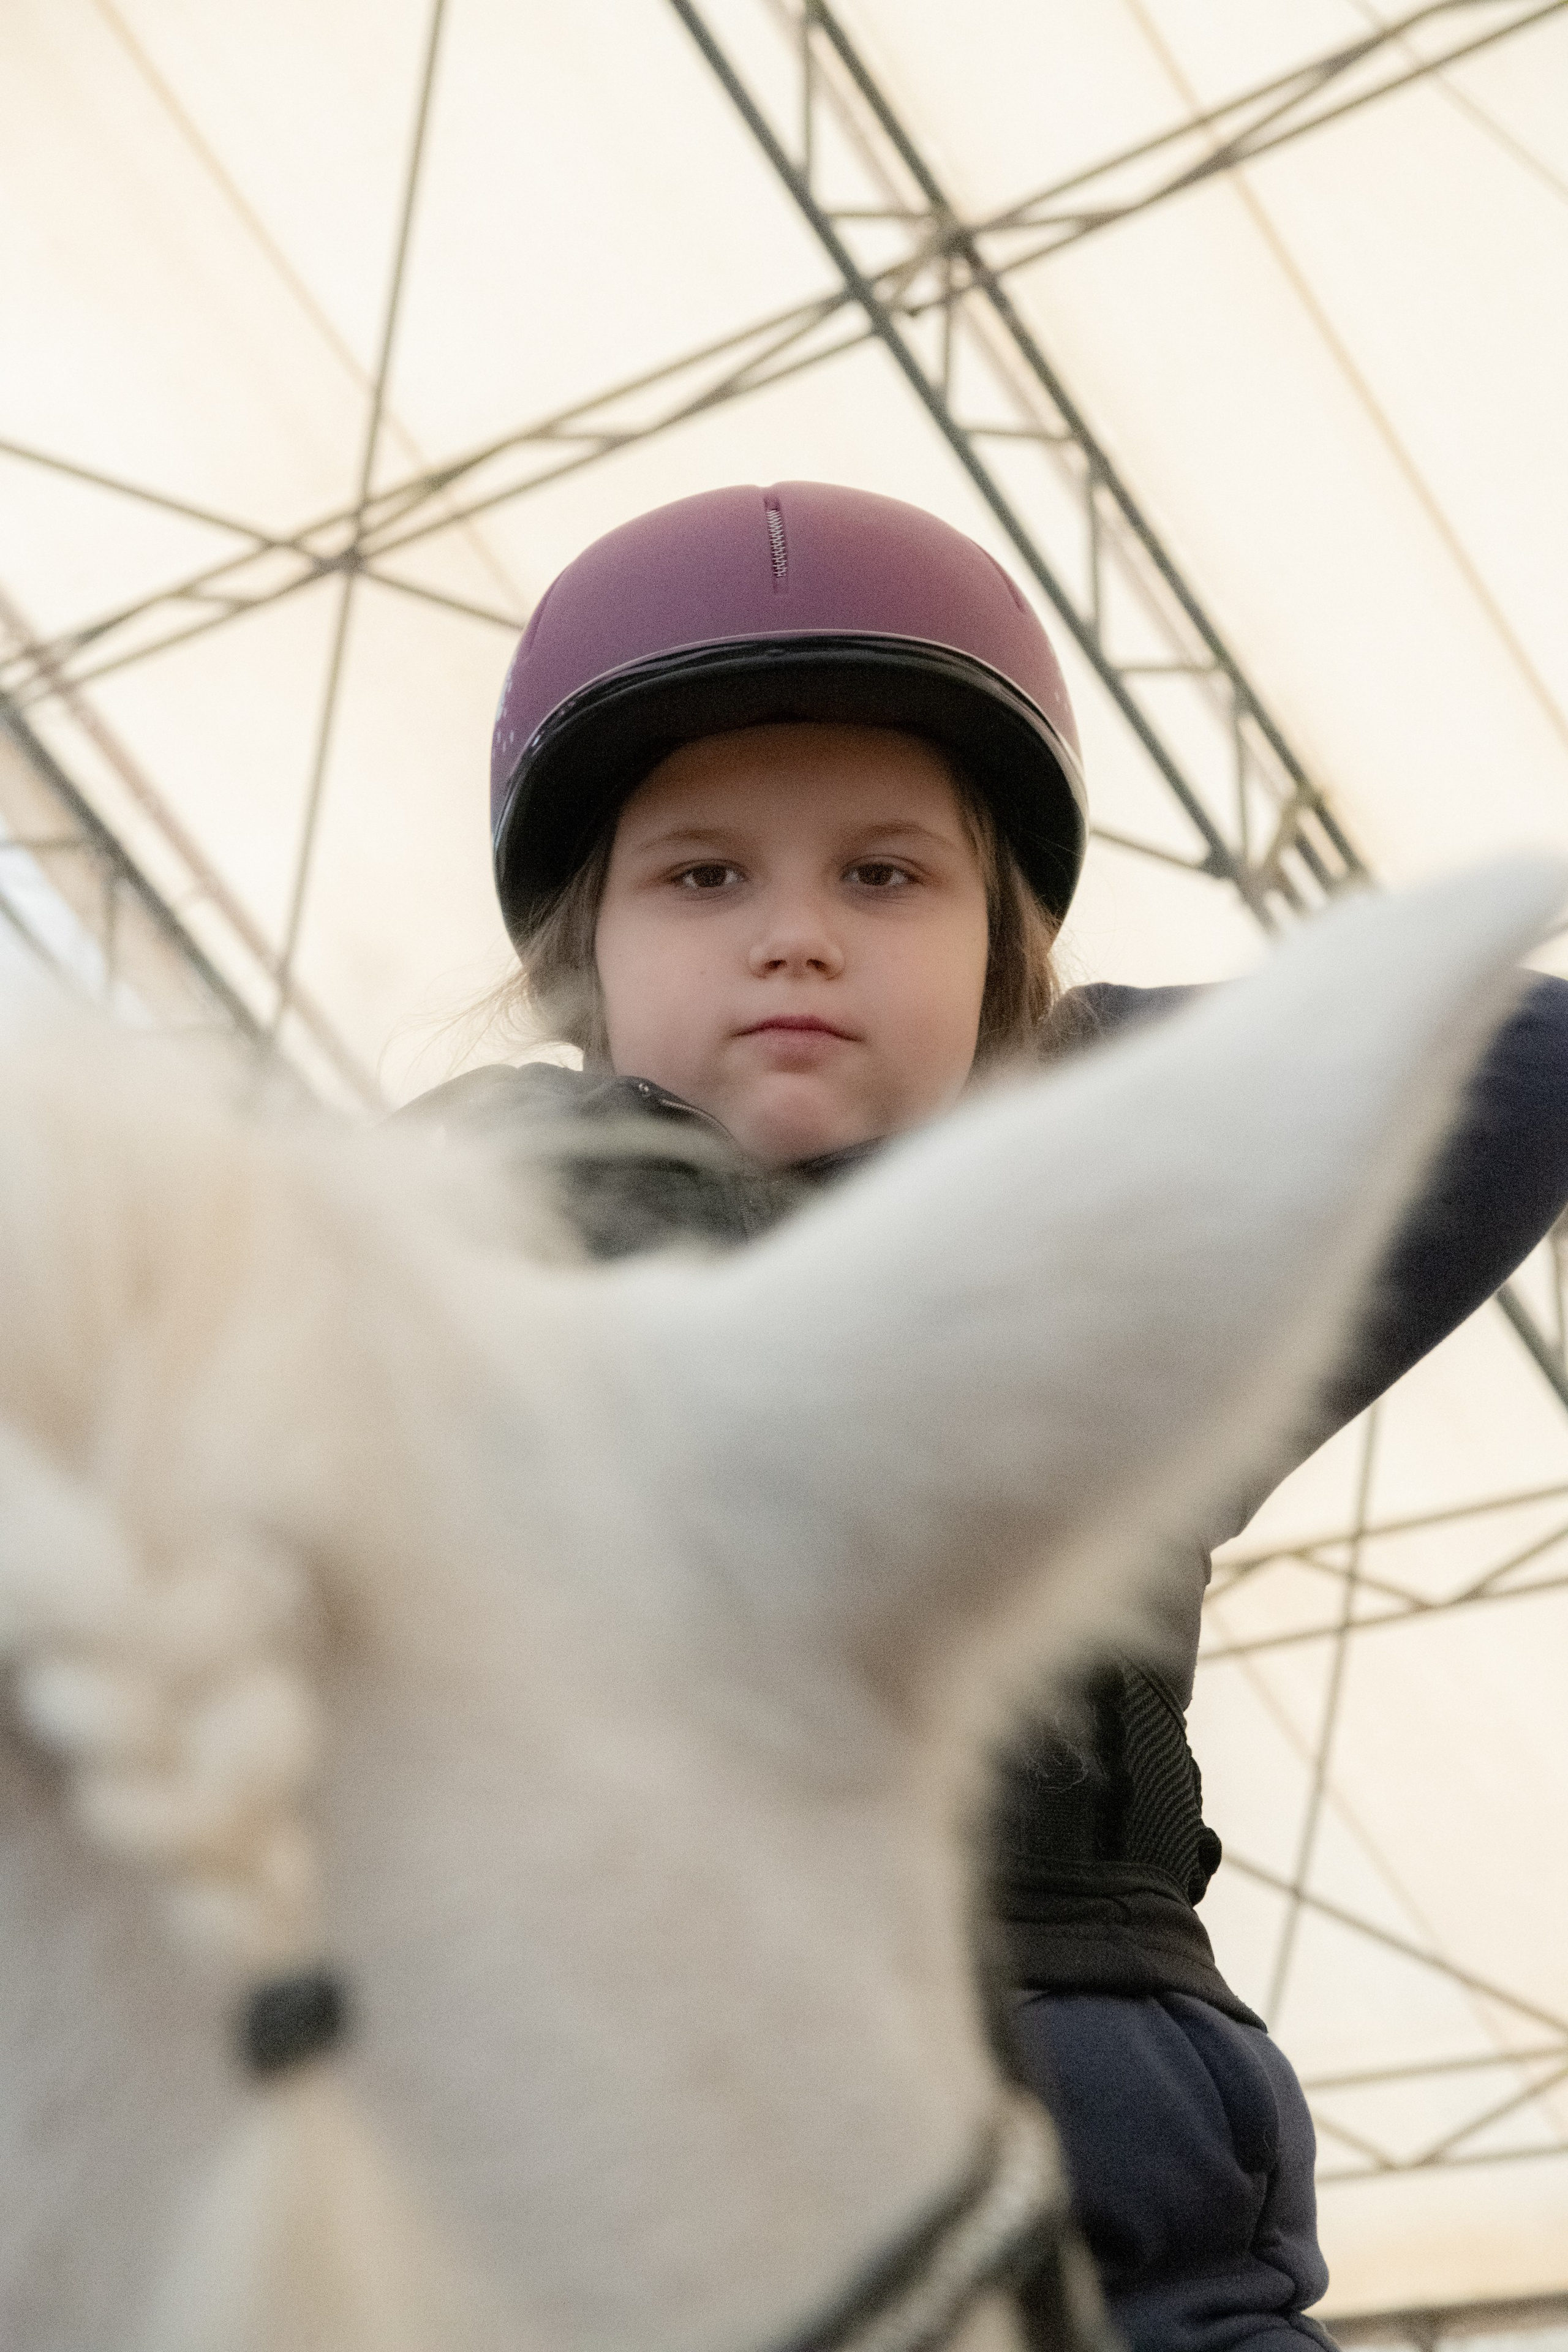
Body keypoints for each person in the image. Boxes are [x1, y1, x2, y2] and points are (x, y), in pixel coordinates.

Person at [407, 481, 1568, 2350]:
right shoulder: (459, 1281)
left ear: (1001, 948)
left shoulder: (1112, 1311)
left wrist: (1065, 1097)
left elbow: (1520, 1062)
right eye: (705, 877)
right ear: (575, 962)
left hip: (1147, 2221)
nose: (797, 937)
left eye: (889, 877)